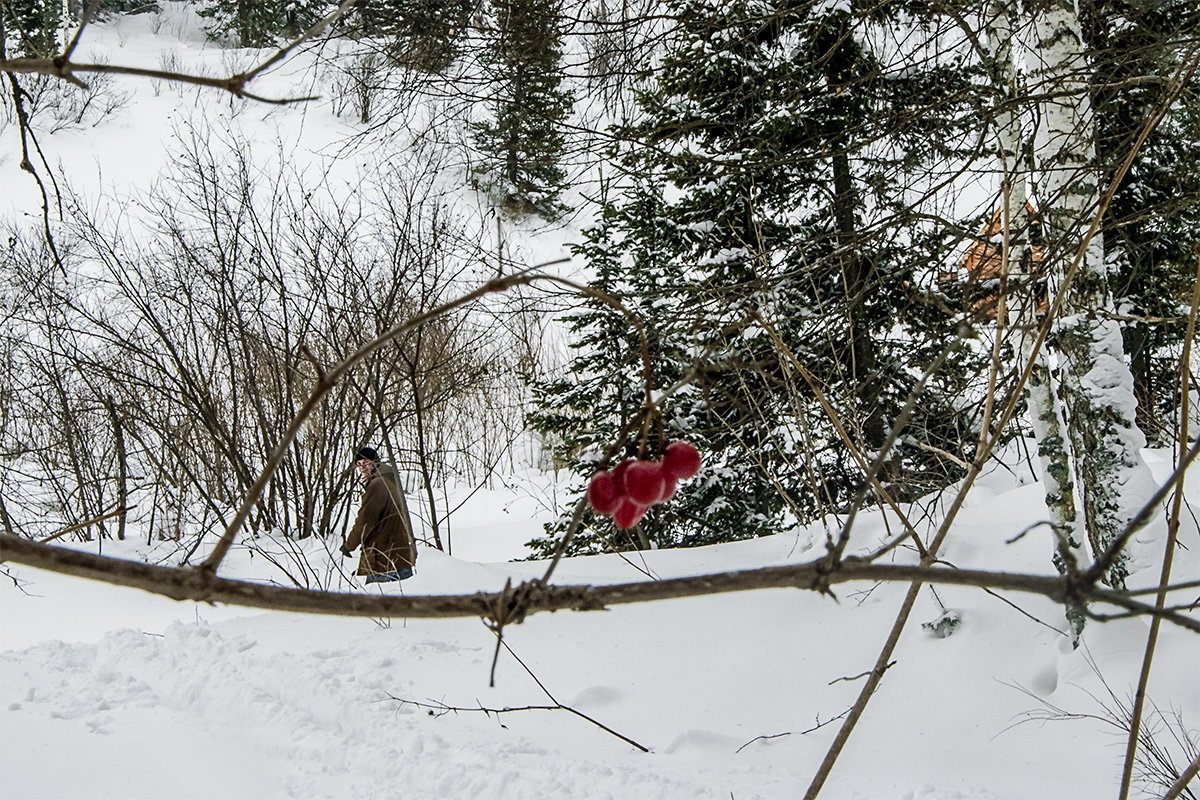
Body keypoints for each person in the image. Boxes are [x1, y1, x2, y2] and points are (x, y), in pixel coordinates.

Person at [341, 447, 417, 584]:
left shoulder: (377, 485)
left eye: (366, 463)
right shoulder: (390, 480)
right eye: (358, 465)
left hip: (383, 557)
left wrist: (349, 546)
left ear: (375, 462)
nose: (362, 468)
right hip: (401, 555)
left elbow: (365, 521)